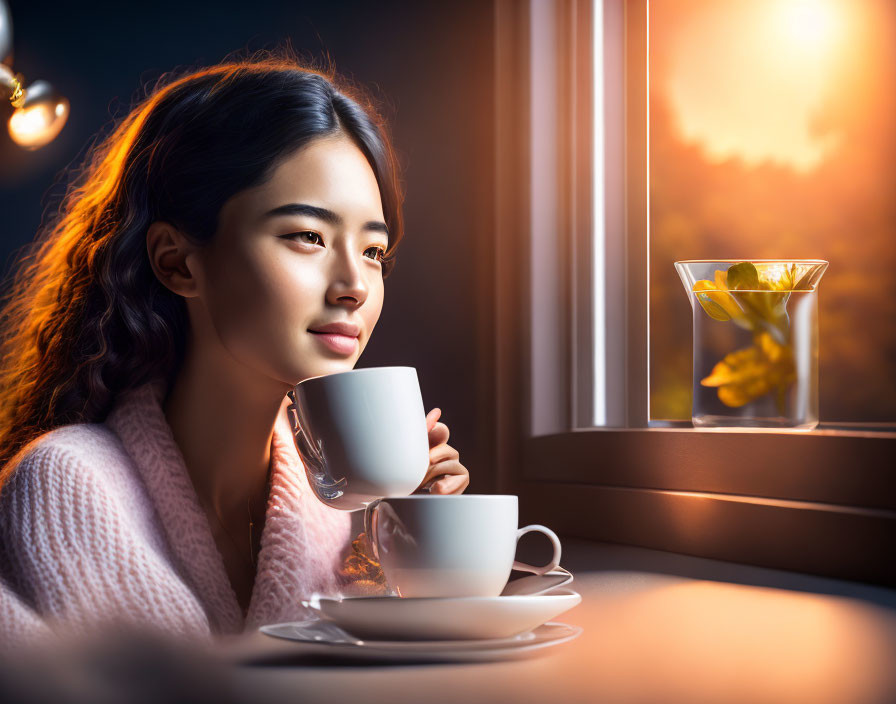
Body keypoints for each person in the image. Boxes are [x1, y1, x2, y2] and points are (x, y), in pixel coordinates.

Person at [0, 49, 469, 644]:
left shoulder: (346, 520)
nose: (354, 286)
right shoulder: (65, 485)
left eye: (373, 251)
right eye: (307, 236)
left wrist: (419, 551)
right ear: (177, 262)